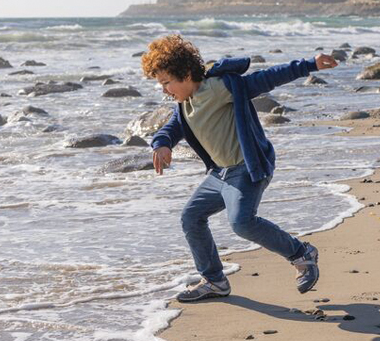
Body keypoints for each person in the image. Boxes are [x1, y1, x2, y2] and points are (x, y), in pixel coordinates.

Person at [141, 35, 338, 302]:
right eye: (160, 84)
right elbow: (172, 127)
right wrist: (162, 143)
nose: (164, 90)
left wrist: (308, 65)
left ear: (186, 74)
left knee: (242, 223)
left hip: (246, 168)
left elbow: (266, 78)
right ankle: (214, 280)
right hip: (219, 174)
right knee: (191, 217)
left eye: (166, 82)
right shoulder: (183, 103)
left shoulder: (220, 87)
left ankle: (301, 253)